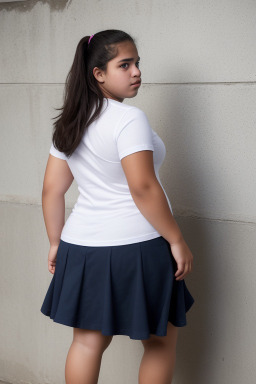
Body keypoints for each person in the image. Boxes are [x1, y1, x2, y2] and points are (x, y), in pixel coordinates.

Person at [40, 29, 195, 384]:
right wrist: (175, 239)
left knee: (86, 343)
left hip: (81, 247)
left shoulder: (70, 121)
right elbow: (142, 186)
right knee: (158, 343)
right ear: (98, 74)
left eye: (137, 63)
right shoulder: (128, 119)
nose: (136, 72)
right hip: (139, 245)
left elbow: (52, 190)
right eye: (124, 65)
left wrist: (55, 242)